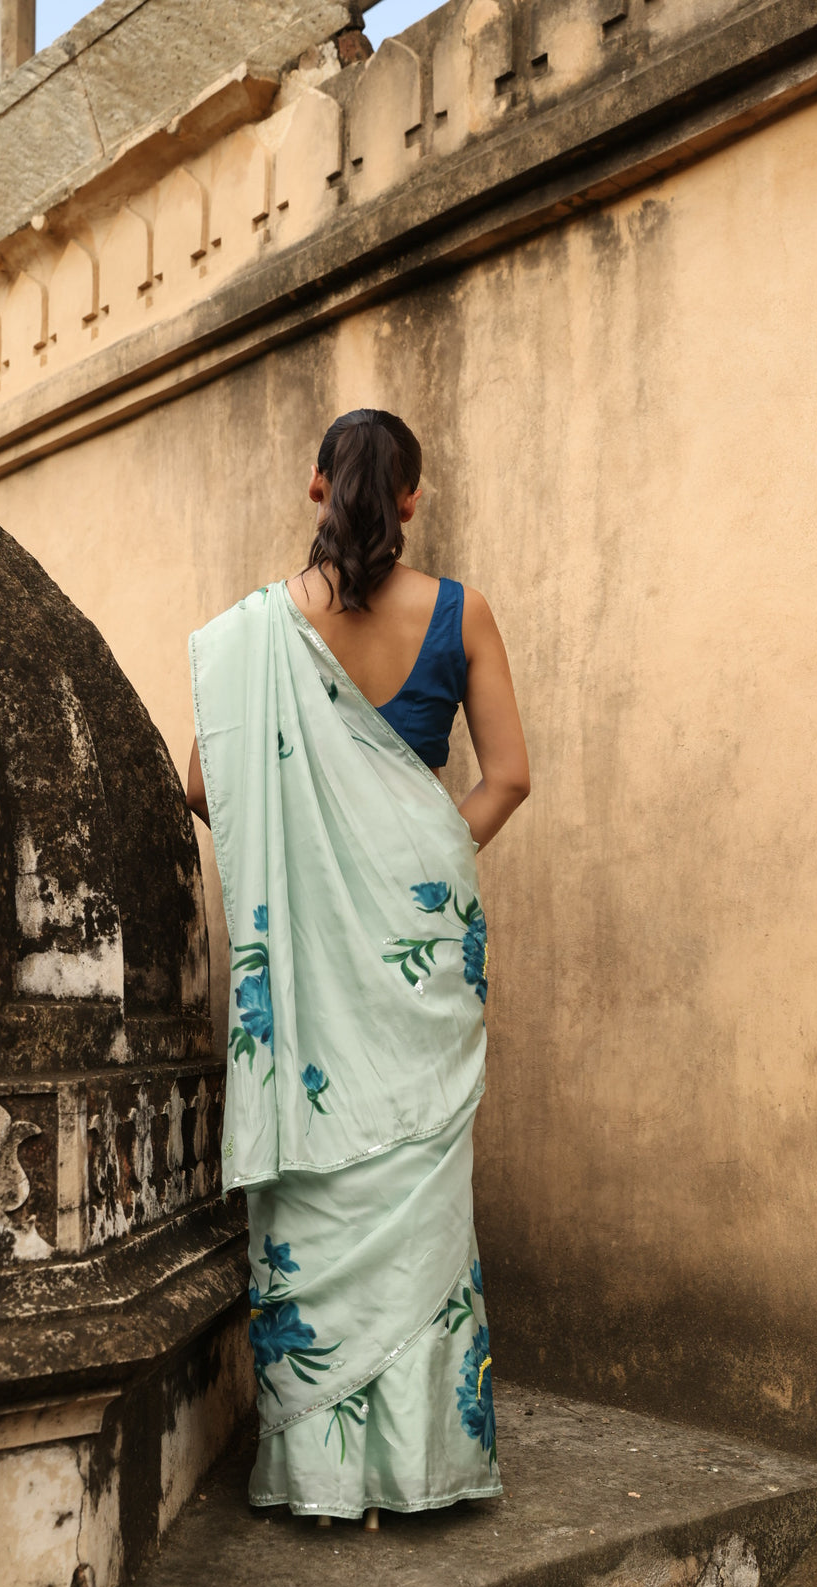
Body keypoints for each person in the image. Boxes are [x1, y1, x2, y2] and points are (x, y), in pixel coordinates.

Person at [185, 407, 530, 1530]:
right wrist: (415, 853)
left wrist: (328, 858)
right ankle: (423, 1468)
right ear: (416, 497)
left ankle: (330, 1482)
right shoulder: (462, 612)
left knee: (323, 1183)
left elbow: (206, 787)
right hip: (416, 938)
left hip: (314, 953)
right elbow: (509, 777)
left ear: (317, 487)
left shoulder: (257, 638)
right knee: (420, 1187)